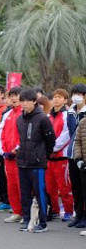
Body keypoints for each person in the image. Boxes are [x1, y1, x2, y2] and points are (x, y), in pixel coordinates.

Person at [16, 88, 55, 233]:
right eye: (22, 101)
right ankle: (27, 220)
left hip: (37, 162)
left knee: (40, 193)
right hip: (22, 160)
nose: (24, 104)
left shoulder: (43, 118)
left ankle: (43, 222)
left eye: (28, 101)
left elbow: (51, 140)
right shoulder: (19, 119)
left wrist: (43, 155)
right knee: (24, 193)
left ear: (34, 102)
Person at [45, 89, 76, 222]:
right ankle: (54, 209)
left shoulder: (66, 115)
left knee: (64, 186)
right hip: (49, 157)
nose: (56, 99)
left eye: (59, 97)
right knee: (49, 186)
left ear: (65, 100)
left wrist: (53, 147)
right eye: (54, 97)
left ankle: (69, 210)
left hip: (62, 157)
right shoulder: (48, 116)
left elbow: (67, 134)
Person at [0, 87, 24, 223]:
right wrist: (3, 151)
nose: (13, 98)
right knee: (11, 185)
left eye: (16, 95)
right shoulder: (7, 114)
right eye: (11, 96)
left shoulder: (24, 113)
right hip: (7, 156)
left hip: (21, 156)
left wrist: (16, 150)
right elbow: (0, 133)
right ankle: (16, 211)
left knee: (22, 185)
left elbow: (25, 136)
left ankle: (25, 212)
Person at [68, 84, 86, 227]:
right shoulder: (70, 111)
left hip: (83, 154)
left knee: (84, 185)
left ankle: (84, 216)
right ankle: (78, 214)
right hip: (72, 152)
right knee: (76, 186)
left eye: (79, 94)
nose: (76, 97)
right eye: (74, 94)